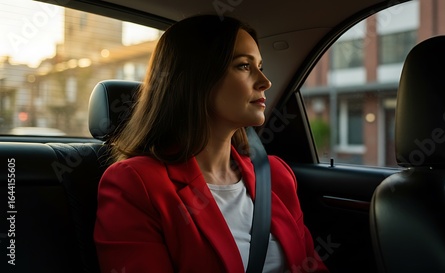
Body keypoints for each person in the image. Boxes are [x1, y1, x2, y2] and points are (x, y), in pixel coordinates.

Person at [93, 14, 329, 273]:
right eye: (243, 66)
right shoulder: (136, 184)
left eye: (260, 65)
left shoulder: (275, 175)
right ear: (196, 78)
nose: (265, 81)